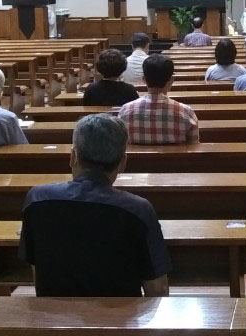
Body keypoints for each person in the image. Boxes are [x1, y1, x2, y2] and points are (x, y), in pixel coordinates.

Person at [20, 114, 170, 297]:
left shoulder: (37, 199)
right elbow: (158, 288)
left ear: (73, 156)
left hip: (54, 313)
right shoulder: (138, 209)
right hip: (120, 314)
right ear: (123, 163)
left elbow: (37, 267)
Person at [119, 55, 199, 145]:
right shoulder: (186, 112)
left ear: (144, 79)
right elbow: (194, 147)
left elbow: (120, 145)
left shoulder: (125, 110)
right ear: (171, 80)